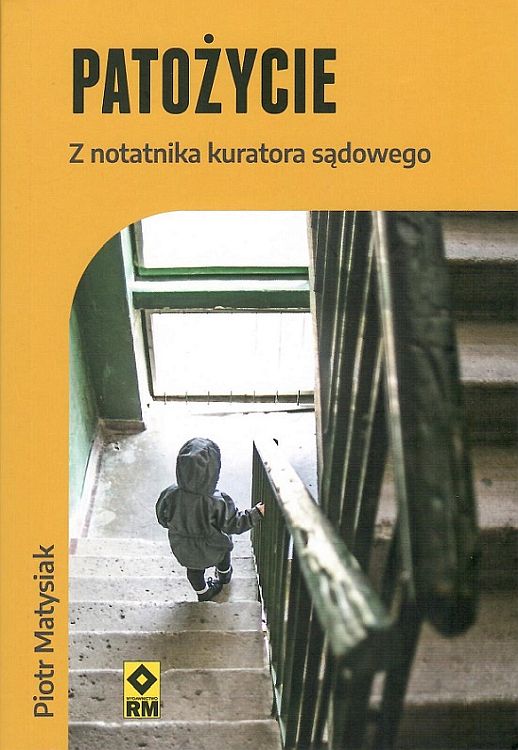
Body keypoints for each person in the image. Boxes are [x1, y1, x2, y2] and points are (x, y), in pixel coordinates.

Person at [156, 437, 264, 601]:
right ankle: (224, 576)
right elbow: (233, 524)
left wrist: (177, 527)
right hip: (214, 546)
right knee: (224, 556)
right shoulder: (218, 500)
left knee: (194, 572)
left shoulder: (169, 494)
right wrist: (255, 513)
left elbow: (162, 518)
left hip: (183, 548)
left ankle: (204, 593)